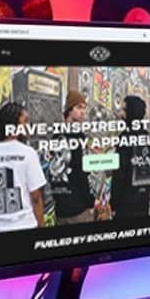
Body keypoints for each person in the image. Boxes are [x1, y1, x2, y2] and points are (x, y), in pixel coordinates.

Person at [0, 101, 46, 233]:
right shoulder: (28, 153)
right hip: (25, 227)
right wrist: (41, 225)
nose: (28, 126)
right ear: (13, 125)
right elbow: (36, 197)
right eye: (25, 121)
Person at [51, 90, 98, 225]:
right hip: (78, 209)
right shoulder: (77, 136)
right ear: (69, 109)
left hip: (61, 208)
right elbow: (81, 172)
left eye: (84, 108)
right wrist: (91, 201)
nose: (83, 112)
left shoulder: (57, 135)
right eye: (79, 107)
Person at [109, 95, 150, 219]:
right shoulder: (148, 138)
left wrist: (113, 204)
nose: (121, 114)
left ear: (132, 112)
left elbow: (119, 174)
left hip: (125, 205)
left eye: (125, 110)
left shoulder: (125, 138)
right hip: (143, 201)